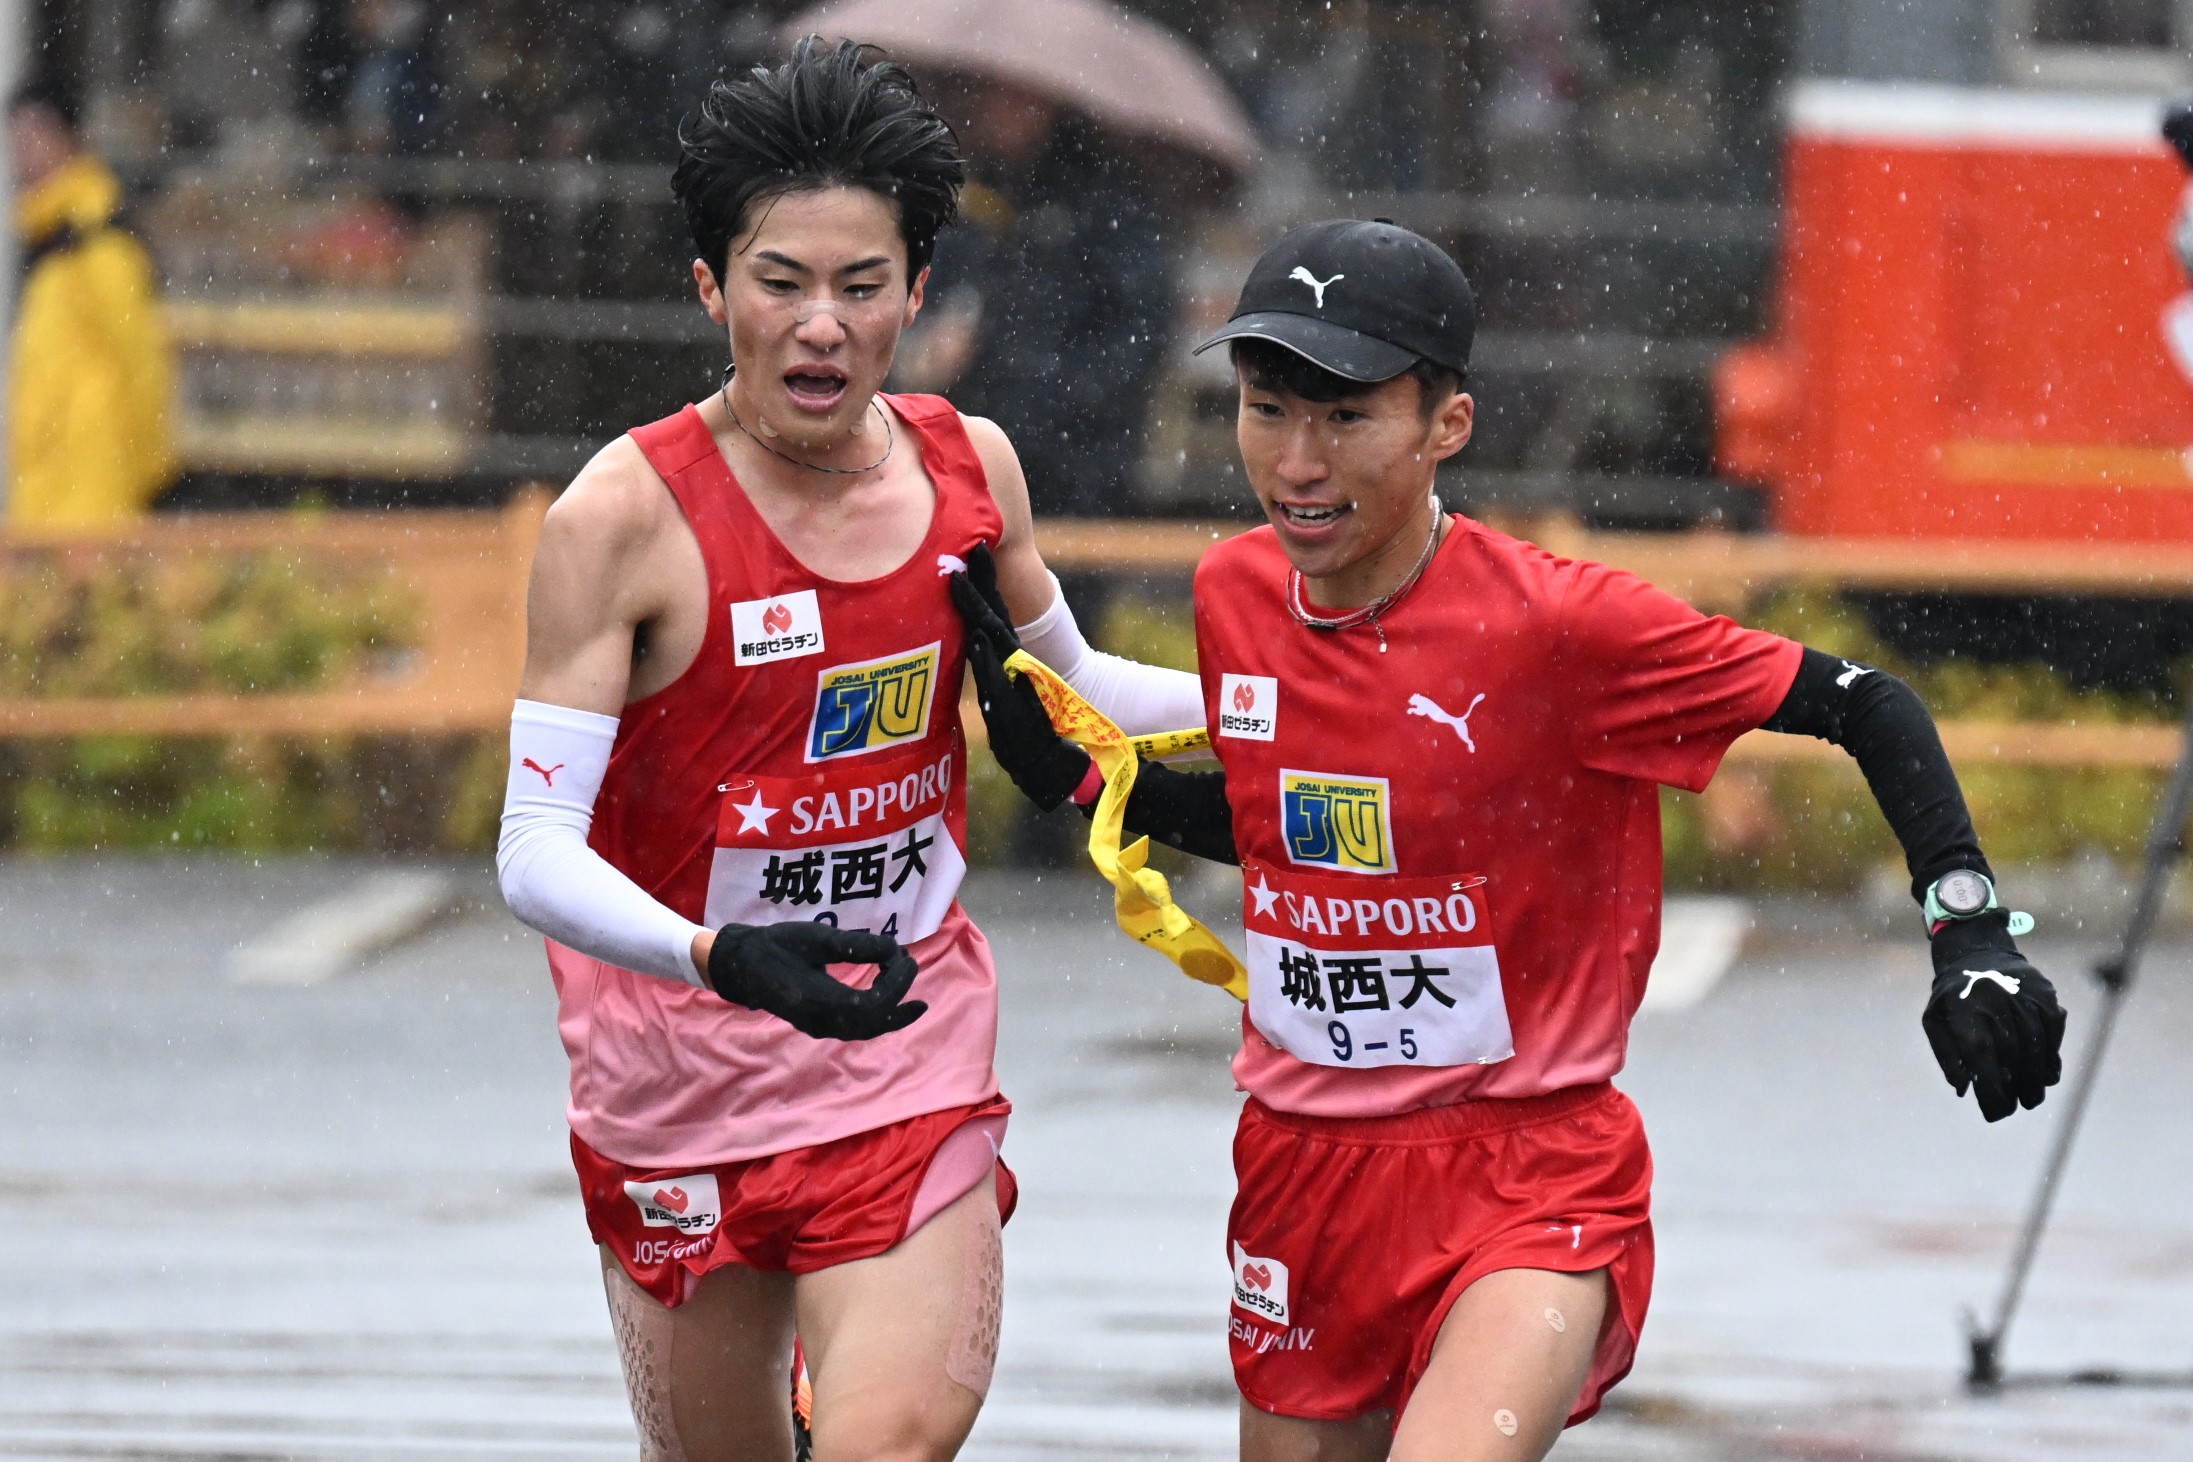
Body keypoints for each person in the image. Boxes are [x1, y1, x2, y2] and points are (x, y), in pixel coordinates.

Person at [958, 218, 2068, 1461]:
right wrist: (1080, 774)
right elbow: (1306, 821)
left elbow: (1869, 703)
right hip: (1301, 1169)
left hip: (1528, 1174)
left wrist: (1970, 926)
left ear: (1449, 425)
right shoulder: (1236, 594)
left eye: (1347, 419)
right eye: (1268, 412)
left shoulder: (1562, 628)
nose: (1298, 462)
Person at [494, 39, 1199, 1462]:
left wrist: (1314, 710)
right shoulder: (617, 521)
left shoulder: (967, 471)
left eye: (860, 287)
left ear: (917, 294)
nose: (821, 325)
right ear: (712, 289)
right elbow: (533, 848)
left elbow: (1080, 683)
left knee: (883, 1445)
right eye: (781, 282)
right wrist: (718, 954)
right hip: (677, 1072)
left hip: (900, 1045)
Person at [8, 82, 177, 531]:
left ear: (70, 139)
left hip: (91, 489)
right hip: (48, 486)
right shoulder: (47, 237)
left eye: (35, 137)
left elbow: (140, 362)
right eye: (17, 140)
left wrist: (144, 473)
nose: (25, 155)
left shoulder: (96, 238)